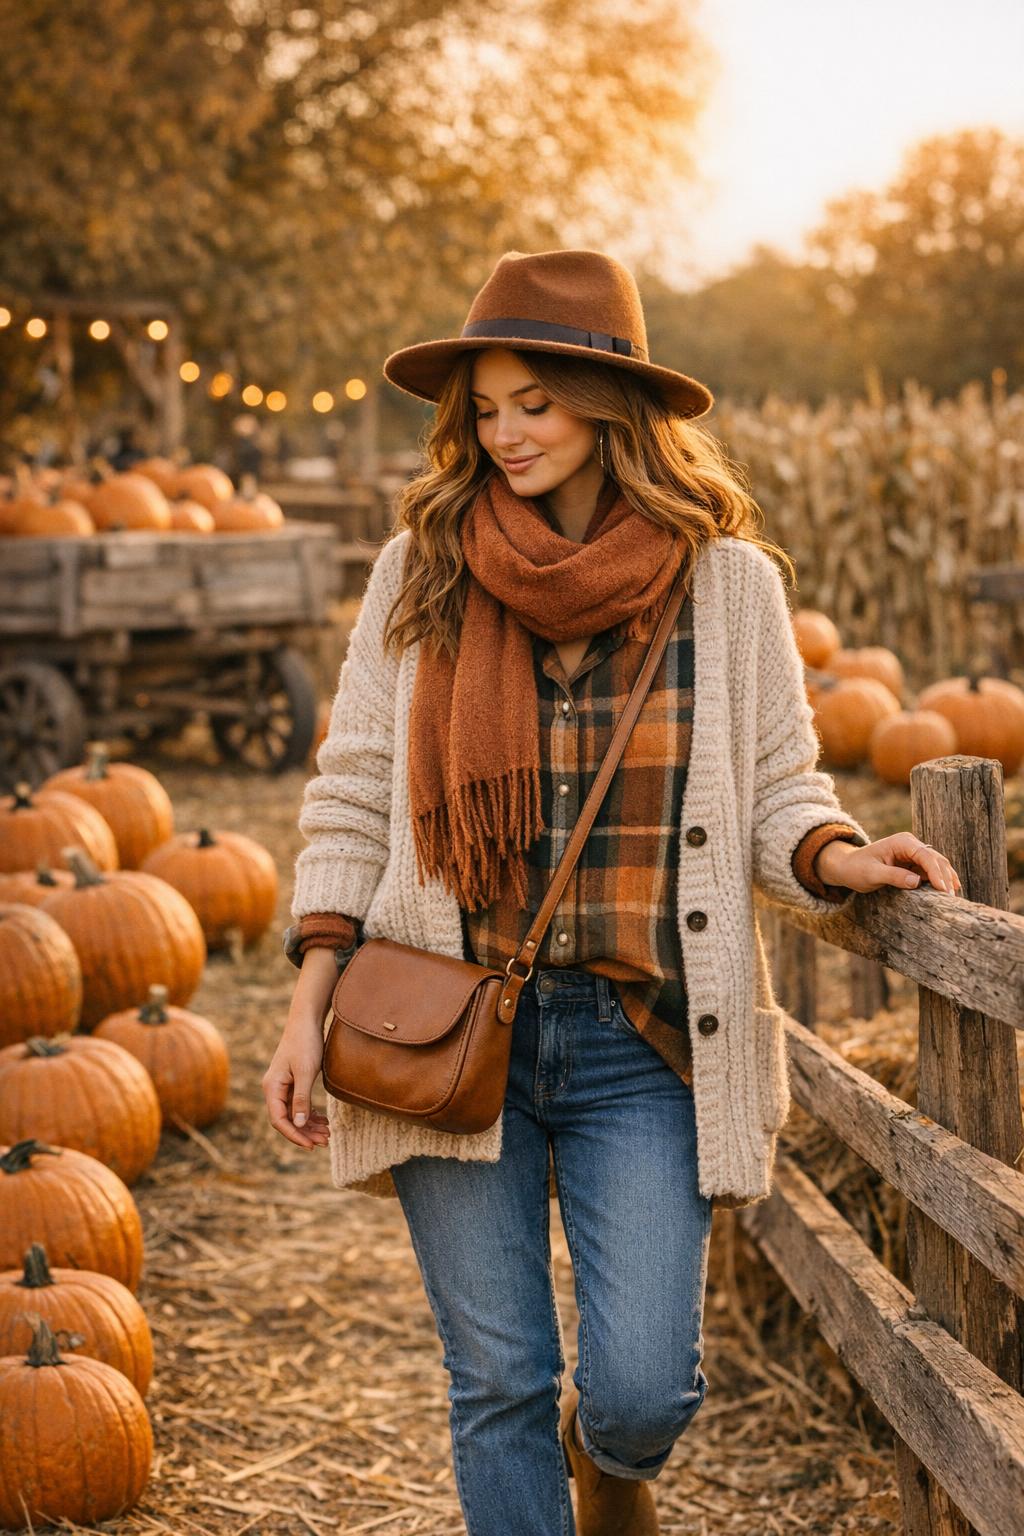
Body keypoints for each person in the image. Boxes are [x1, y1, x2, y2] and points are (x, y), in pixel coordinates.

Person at [265, 249, 962, 1536]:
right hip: (453, 1027)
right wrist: (309, 1002)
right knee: (497, 1383)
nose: (504, 433)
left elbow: (776, 787)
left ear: (606, 404)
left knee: (642, 1387)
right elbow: (354, 792)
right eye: (484, 408)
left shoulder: (727, 586)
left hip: (644, 1042)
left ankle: (613, 1468)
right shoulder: (421, 573)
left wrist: (837, 854)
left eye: (533, 400)